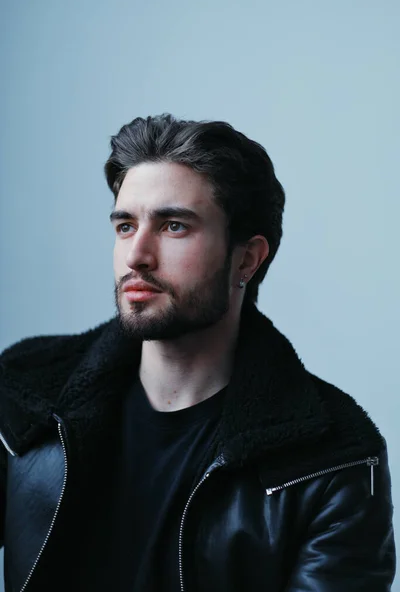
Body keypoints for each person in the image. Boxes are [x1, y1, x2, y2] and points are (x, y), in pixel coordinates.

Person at [0, 114, 395, 592]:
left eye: (173, 226)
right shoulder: (25, 397)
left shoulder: (332, 459)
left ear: (246, 259)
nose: (136, 255)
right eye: (125, 226)